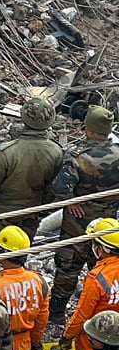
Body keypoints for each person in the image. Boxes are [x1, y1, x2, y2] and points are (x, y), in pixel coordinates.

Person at [51, 105, 119, 322]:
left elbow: (60, 188)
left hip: (77, 225)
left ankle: (57, 314)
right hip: (107, 227)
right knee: (103, 269)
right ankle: (102, 315)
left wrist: (71, 202)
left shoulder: (78, 156)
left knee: (67, 269)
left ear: (88, 129)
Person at [0, 96, 61, 248]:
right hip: (29, 218)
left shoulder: (8, 151)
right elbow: (51, 189)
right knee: (16, 262)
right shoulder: (56, 153)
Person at [0, 226, 49, 350]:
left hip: (0, 347)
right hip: (24, 344)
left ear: (2, 254)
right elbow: (41, 319)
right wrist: (34, 343)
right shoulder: (39, 282)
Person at [57, 218, 119, 350]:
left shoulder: (97, 277)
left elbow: (82, 314)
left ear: (102, 248)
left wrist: (67, 337)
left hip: (97, 335)